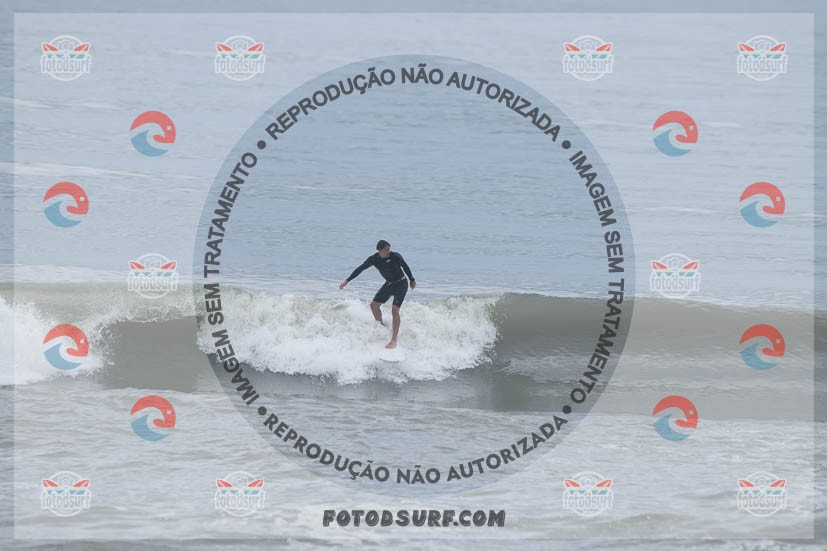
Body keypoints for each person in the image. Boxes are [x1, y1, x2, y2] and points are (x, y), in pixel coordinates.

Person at [339, 240, 416, 349]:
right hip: (389, 284)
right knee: (374, 305)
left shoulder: (395, 256)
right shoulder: (374, 259)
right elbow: (360, 269)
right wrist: (347, 281)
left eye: (389, 249)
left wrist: (412, 280)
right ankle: (381, 328)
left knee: (395, 310)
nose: (388, 252)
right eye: (386, 250)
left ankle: (393, 340)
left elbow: (405, 267)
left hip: (401, 284)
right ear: (379, 250)